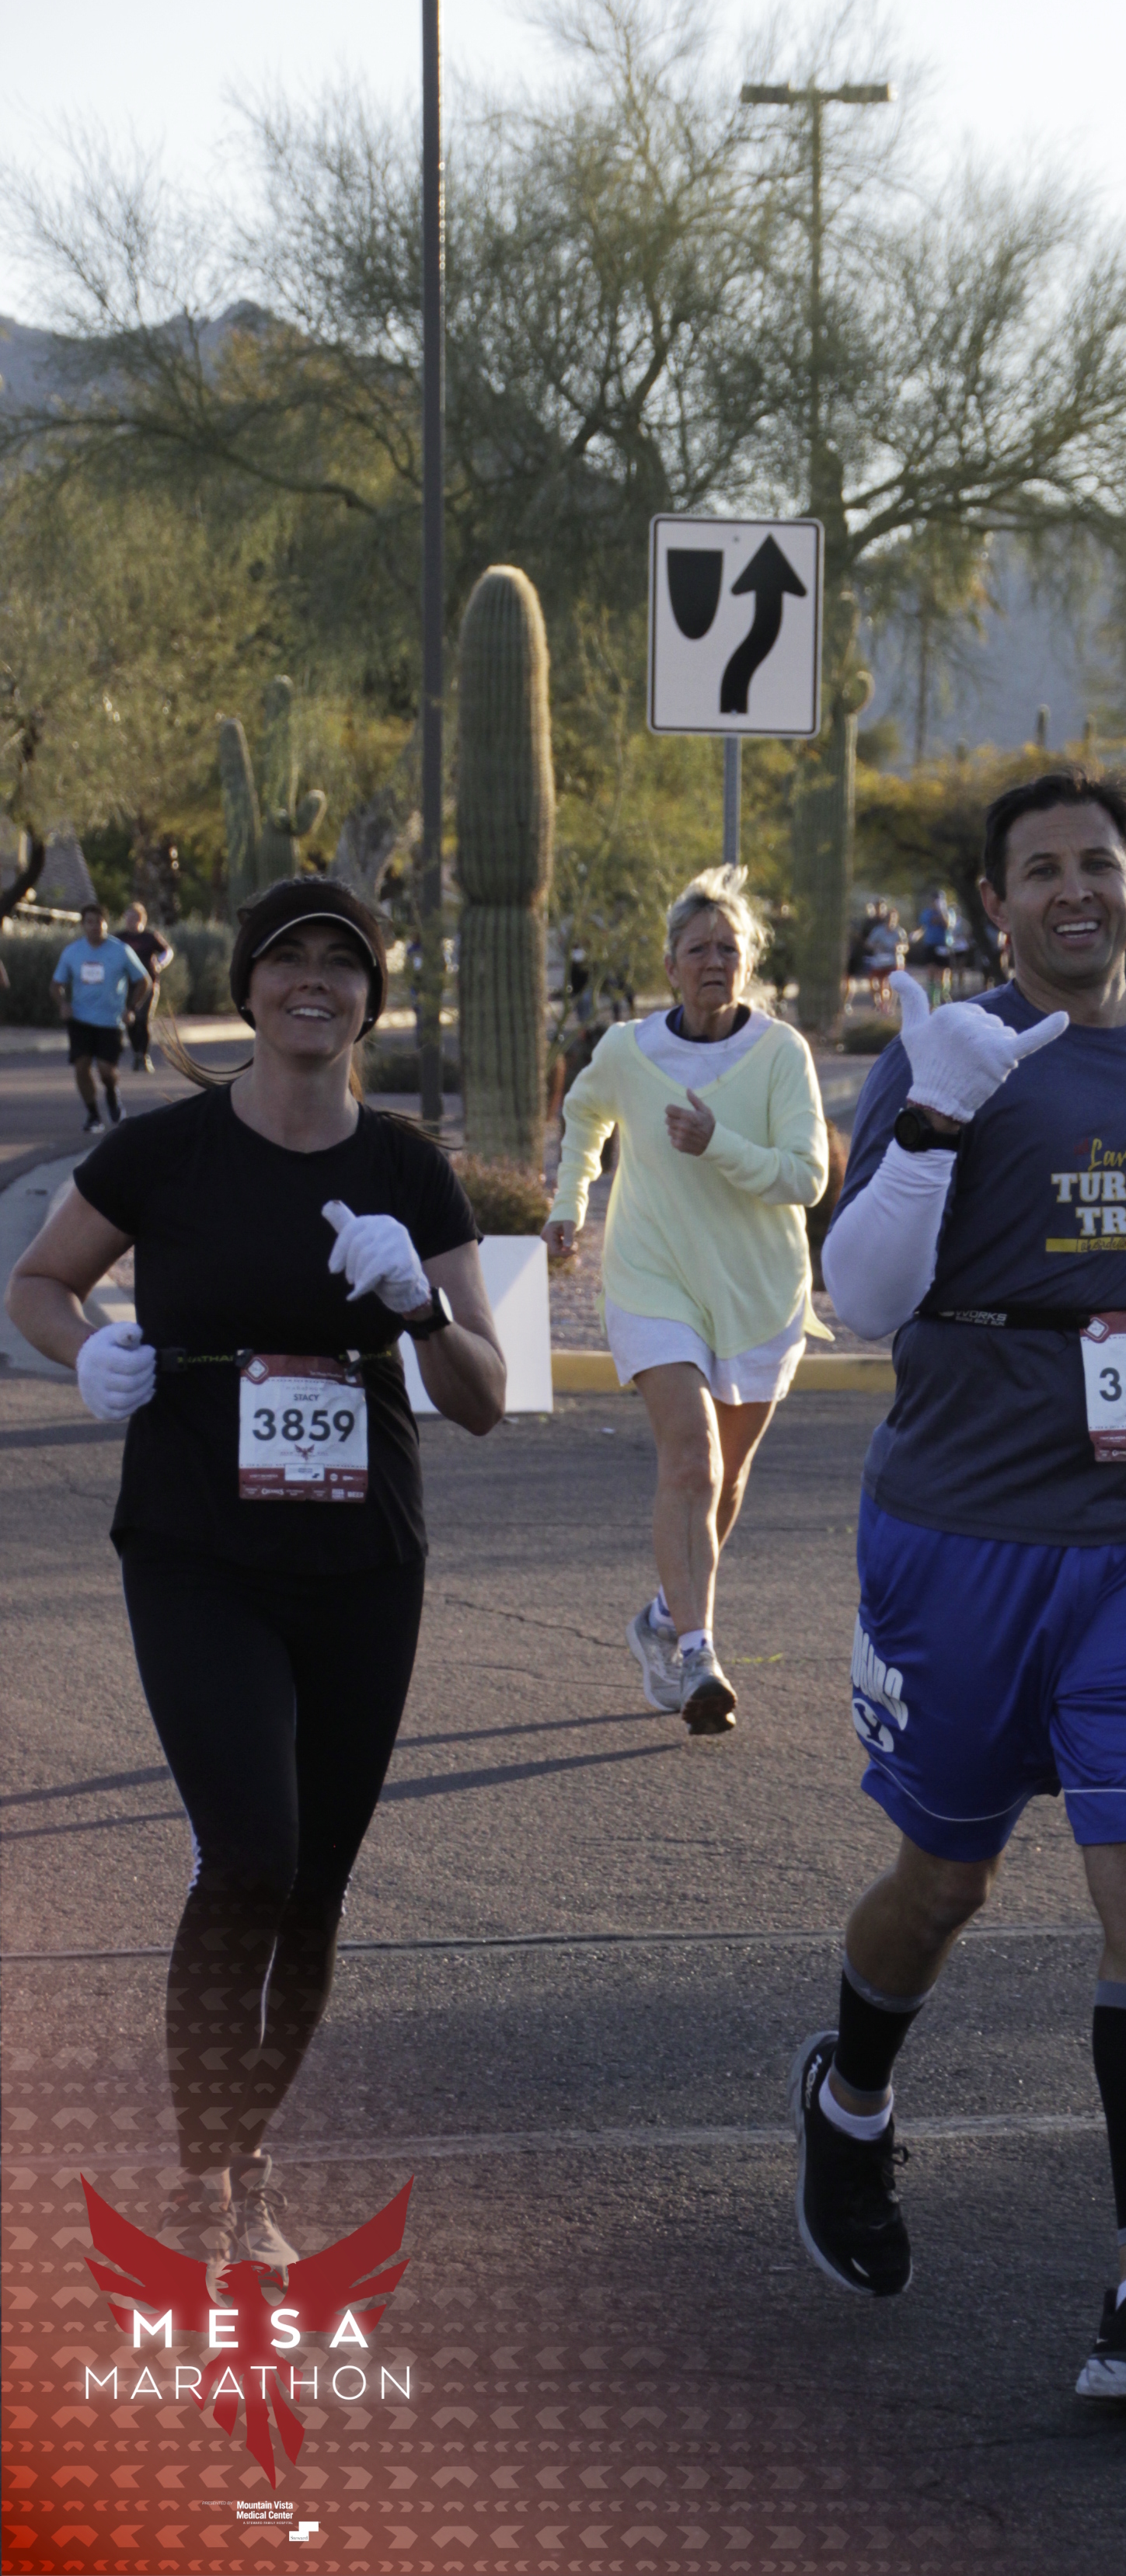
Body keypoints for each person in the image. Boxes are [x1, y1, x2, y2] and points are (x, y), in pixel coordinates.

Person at [789, 768, 1126, 2412]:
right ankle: (850, 2097)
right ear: (995, 903)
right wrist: (934, 1120)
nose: (1074, 890)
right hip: (962, 1537)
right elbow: (860, 1298)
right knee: (942, 1884)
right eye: (1040, 870)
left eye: (1099, 862)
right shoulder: (944, 1053)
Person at [5, 877, 505, 2290]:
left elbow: (482, 1393)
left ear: (371, 1000)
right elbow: (39, 1284)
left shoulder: (408, 1170)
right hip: (196, 1550)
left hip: (362, 1559)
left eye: (342, 964)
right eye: (288, 959)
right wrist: (87, 1351)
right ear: (247, 985)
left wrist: (416, 1303)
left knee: (316, 1887)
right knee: (250, 1858)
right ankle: (209, 2175)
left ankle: (243, 2155)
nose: (313, 983)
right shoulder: (164, 1152)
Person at [542, 866, 828, 1736]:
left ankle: (664, 1617)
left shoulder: (781, 1053)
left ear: (749, 964)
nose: (714, 961)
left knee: (726, 1479)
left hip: (759, 1291)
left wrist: (718, 1143)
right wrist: (569, 1206)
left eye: (728, 949)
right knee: (693, 1463)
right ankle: (699, 1654)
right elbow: (585, 1117)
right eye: (698, 949)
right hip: (651, 1279)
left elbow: (807, 1178)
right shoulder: (628, 1051)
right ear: (670, 965)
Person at [51, 901, 150, 1133]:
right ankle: (93, 1115)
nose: (95, 926)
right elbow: (56, 985)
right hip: (80, 1020)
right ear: (83, 925)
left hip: (110, 1021)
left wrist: (131, 1008)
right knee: (81, 1066)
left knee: (106, 1070)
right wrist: (63, 1004)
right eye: (90, 922)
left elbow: (143, 981)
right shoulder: (72, 952)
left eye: (99, 922)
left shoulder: (120, 950)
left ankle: (113, 1096)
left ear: (106, 923)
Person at [118, 901, 174, 1071]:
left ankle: (144, 1055)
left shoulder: (150, 937)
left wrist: (160, 963)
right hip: (126, 986)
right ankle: (137, 1053)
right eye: (129, 917)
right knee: (130, 1020)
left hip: (148, 985)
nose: (132, 921)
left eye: (136, 918)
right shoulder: (119, 938)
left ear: (142, 920)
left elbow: (167, 952)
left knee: (143, 1019)